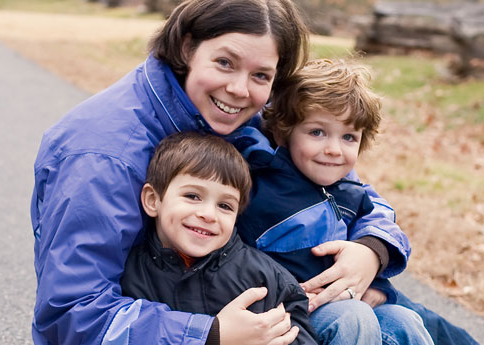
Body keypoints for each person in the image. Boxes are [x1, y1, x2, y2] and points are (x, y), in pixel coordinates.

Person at [31, 0, 409, 344]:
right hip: (174, 324)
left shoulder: (236, 119)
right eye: (225, 63)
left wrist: (371, 249)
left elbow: (346, 187)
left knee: (402, 323)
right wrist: (209, 334)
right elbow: (71, 314)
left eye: (261, 76)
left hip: (239, 296)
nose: (239, 89)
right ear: (187, 47)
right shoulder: (103, 156)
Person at [235, 59, 433, 345]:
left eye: (349, 137)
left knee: (404, 320)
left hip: (343, 304)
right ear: (283, 132)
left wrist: (374, 282)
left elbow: (376, 227)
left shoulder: (348, 189)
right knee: (352, 316)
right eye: (317, 132)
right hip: (287, 316)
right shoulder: (260, 186)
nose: (333, 150)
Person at [120, 132, 317, 345]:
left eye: (225, 206)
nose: (209, 214)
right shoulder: (127, 271)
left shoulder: (268, 280)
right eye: (192, 196)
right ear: (153, 200)